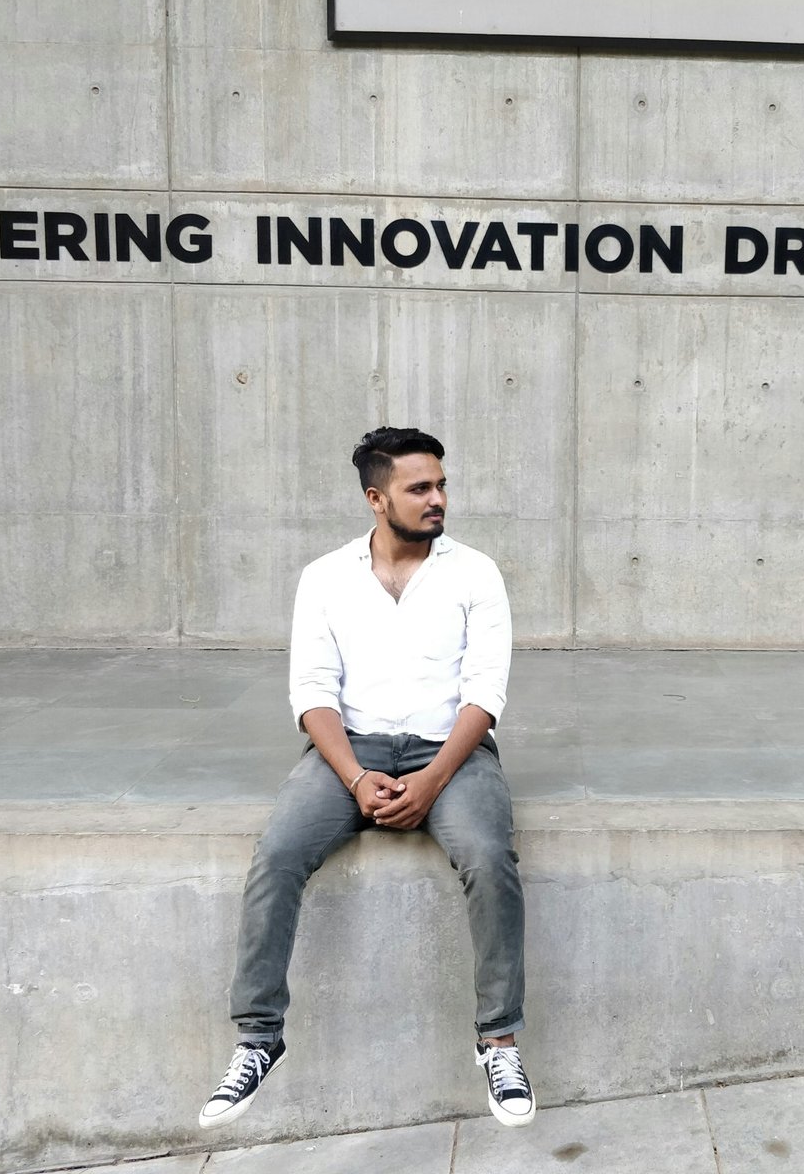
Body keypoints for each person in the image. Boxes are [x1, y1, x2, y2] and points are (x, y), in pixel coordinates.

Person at [198, 426, 534, 1130]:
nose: (438, 499)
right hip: (347, 751)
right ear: (377, 499)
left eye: (441, 485)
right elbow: (312, 693)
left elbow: (485, 693)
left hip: (451, 750)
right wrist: (354, 778)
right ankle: (259, 1038)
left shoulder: (476, 574)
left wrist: (433, 781)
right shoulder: (325, 577)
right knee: (278, 852)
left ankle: (498, 1041)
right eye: (420, 488)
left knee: (487, 854)